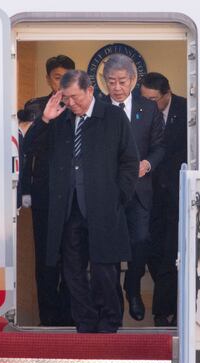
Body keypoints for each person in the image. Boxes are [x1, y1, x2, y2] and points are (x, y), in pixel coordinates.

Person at [23, 70, 139, 333]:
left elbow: (129, 162)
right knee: (72, 271)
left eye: (74, 97)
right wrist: (44, 119)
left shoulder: (112, 116)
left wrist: (118, 197)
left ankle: (109, 323)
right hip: (69, 208)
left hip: (103, 208)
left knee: (104, 271)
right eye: (66, 99)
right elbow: (29, 147)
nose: (70, 103)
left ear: (89, 91)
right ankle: (85, 323)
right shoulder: (60, 120)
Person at [101, 54, 165, 322]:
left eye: (122, 81)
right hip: (107, 192)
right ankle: (114, 299)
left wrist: (148, 164)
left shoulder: (148, 109)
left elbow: (161, 146)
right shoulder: (97, 108)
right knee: (110, 248)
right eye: (111, 82)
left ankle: (133, 288)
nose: (116, 87)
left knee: (140, 242)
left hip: (139, 191)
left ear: (133, 80)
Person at [21, 55, 75, 326]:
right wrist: (25, 190)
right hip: (44, 194)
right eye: (57, 77)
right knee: (45, 259)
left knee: (73, 258)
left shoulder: (82, 106)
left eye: (67, 76)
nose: (62, 82)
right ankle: (48, 320)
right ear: (48, 79)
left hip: (75, 197)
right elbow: (27, 147)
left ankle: (70, 317)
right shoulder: (35, 107)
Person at [140, 72, 188, 327]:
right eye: (144, 99)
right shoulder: (138, 112)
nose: (148, 105)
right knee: (150, 249)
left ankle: (164, 311)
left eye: (153, 100)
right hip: (148, 192)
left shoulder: (186, 109)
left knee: (171, 251)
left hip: (177, 193)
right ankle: (166, 301)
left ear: (167, 94)